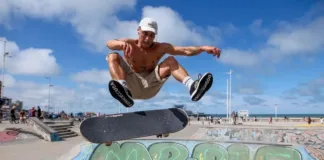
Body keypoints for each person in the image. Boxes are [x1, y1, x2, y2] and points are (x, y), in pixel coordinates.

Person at [106, 17, 221, 107]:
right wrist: (120, 44)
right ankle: (122, 90)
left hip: (150, 87)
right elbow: (109, 43)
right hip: (130, 87)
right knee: (112, 56)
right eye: (145, 34)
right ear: (138, 30)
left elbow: (185, 50)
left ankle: (192, 87)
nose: (147, 39)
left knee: (171, 60)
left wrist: (202, 48)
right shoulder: (128, 43)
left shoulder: (160, 48)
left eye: (151, 35)